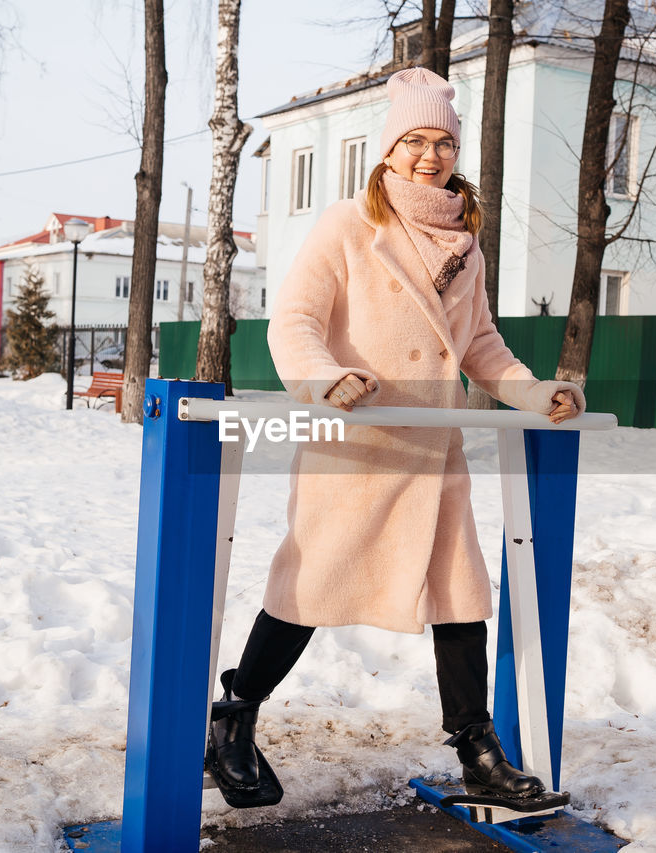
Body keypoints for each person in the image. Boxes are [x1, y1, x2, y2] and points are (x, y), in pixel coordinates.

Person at [207, 67, 585, 807]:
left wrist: (537, 393)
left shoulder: (464, 242)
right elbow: (295, 322)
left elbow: (481, 345)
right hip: (357, 448)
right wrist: (324, 378)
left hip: (433, 451)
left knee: (459, 596)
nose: (430, 156)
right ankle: (235, 715)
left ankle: (477, 749)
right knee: (307, 589)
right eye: (415, 140)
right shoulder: (349, 225)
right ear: (389, 149)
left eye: (443, 142)